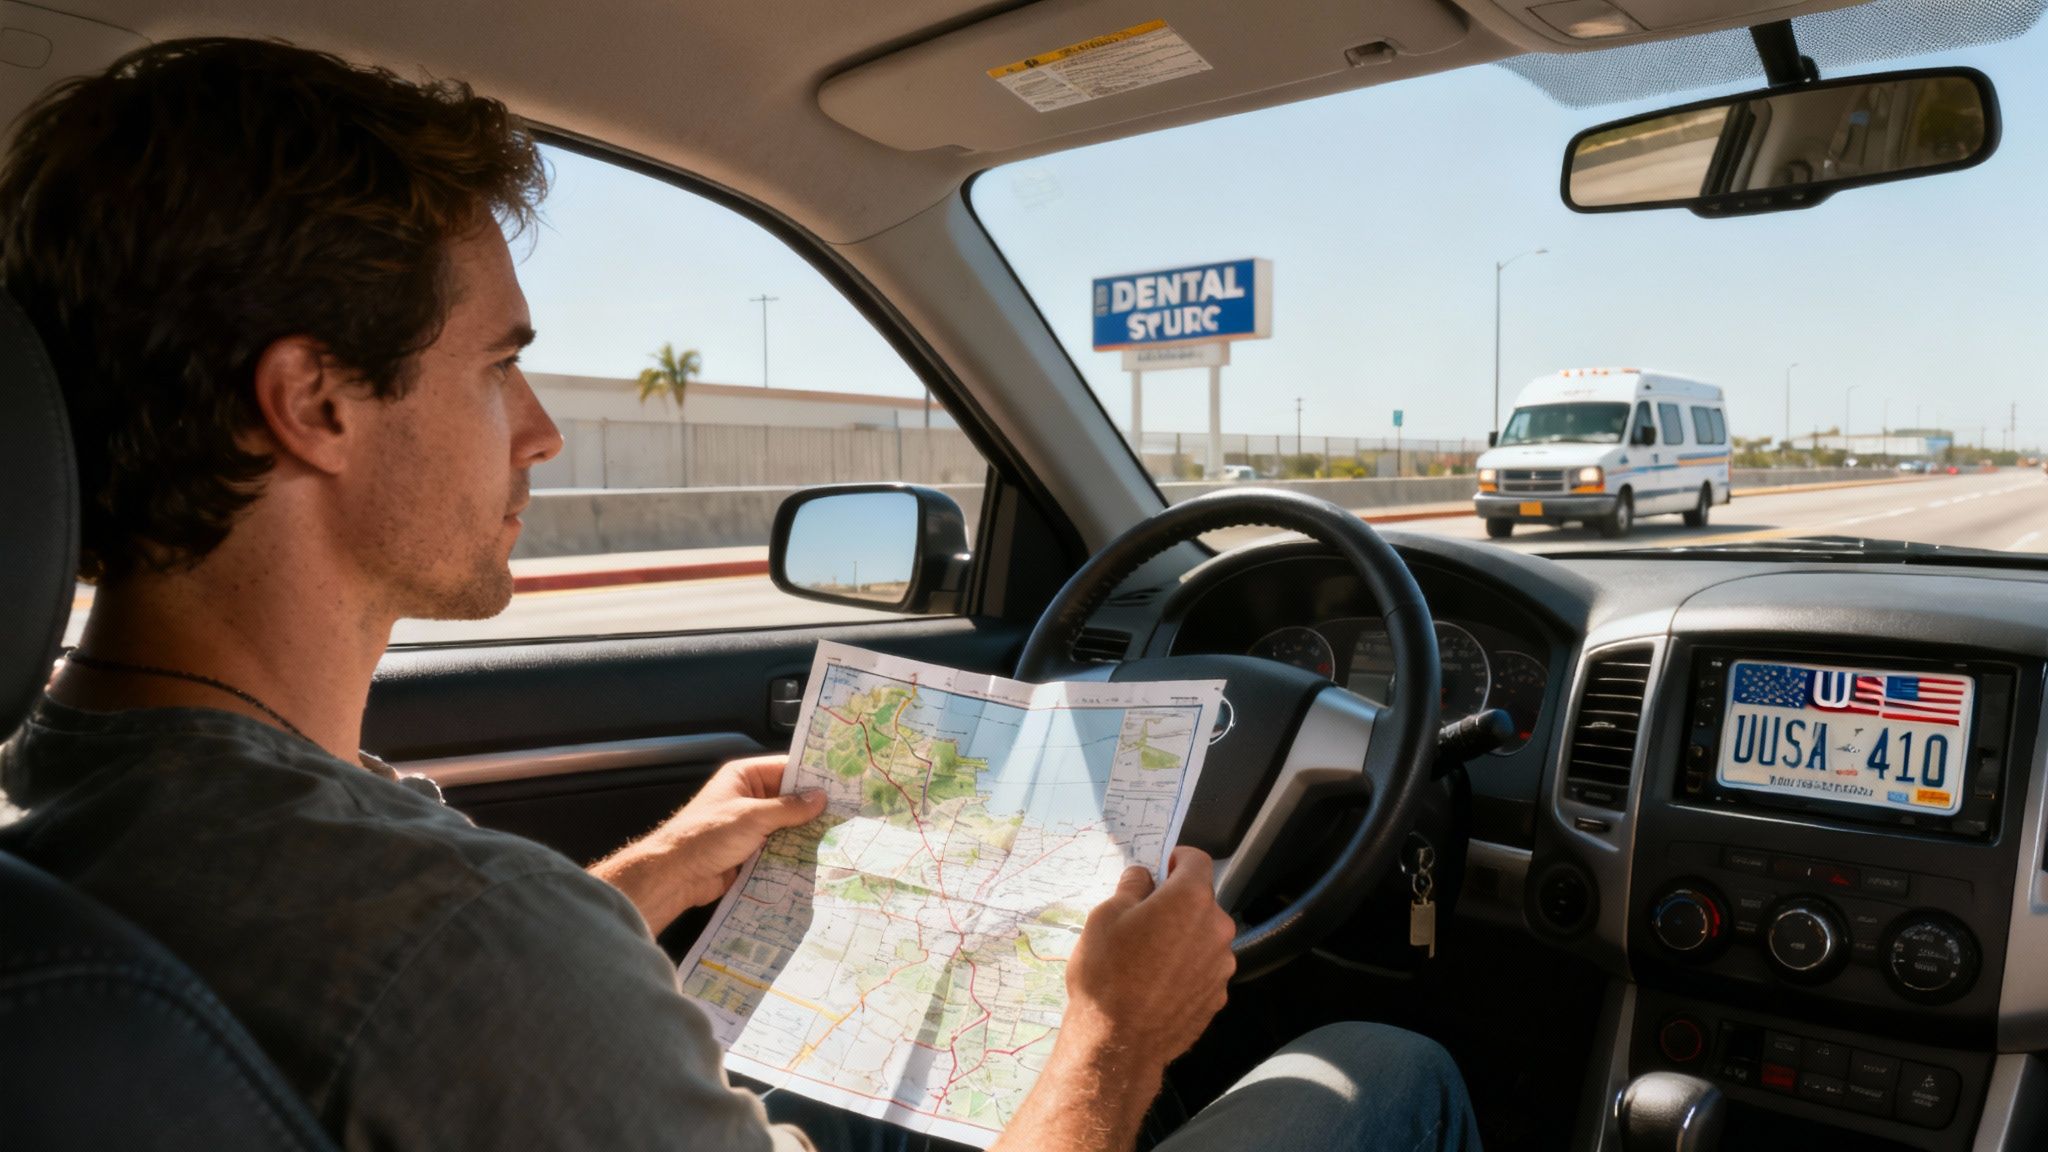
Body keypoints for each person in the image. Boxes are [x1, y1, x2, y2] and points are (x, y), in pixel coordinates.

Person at [0, 37, 1480, 1152]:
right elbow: (457, 982)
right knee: (1387, 1071)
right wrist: (1112, 1035)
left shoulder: (62, 816)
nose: (541, 428)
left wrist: (648, 874)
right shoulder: (465, 939)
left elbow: (429, 1010)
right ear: (315, 403)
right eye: (497, 363)